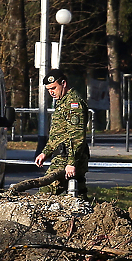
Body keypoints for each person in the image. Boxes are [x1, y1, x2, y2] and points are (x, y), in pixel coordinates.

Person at [34, 69, 90, 198]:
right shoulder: (63, 102)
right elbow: (58, 134)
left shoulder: (73, 104)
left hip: (66, 158)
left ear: (63, 83)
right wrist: (46, 152)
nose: (51, 92)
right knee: (78, 196)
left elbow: (77, 136)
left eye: (53, 88)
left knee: (45, 195)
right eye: (48, 90)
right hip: (65, 156)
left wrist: (71, 162)